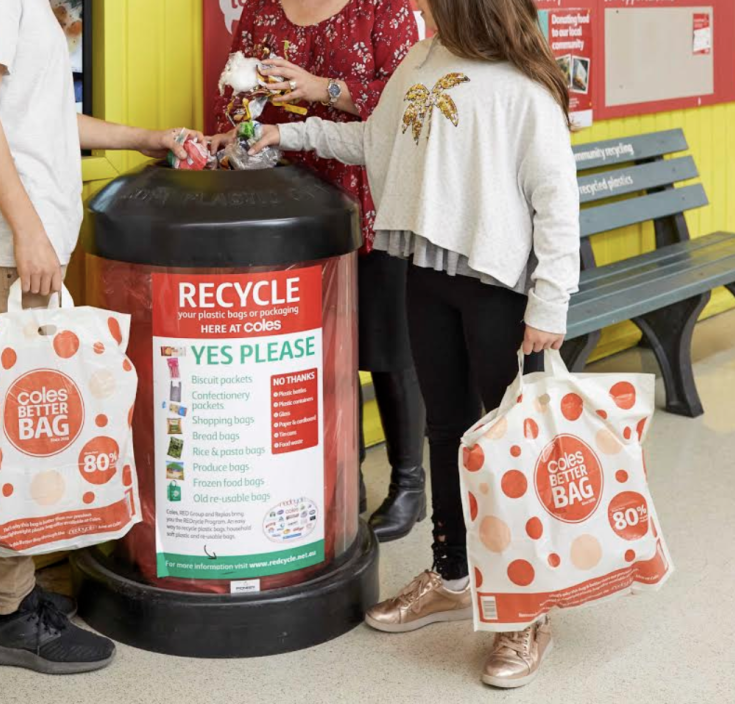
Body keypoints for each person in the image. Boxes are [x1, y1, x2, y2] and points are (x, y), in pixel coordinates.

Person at [249, 0, 580, 688]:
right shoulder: (422, 60)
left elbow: (557, 199)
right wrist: (290, 137)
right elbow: (374, 140)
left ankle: (528, 608)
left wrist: (550, 303)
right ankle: (453, 574)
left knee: (510, 446)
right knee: (447, 434)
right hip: (425, 273)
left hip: (501, 288)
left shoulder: (522, 81)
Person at [0, 0, 201, 674]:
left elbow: (42, 120)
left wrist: (145, 138)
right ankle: (8, 614)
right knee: (20, 432)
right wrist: (29, 230)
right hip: (7, 244)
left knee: (6, 420)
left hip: (17, 241)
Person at [211, 0, 429, 542]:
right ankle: (339, 480)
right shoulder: (261, 9)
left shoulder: (386, 9)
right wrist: (233, 128)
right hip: (285, 210)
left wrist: (321, 88)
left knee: (387, 349)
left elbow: (408, 105)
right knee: (316, 356)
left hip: (369, 204)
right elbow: (236, 98)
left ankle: (409, 484)